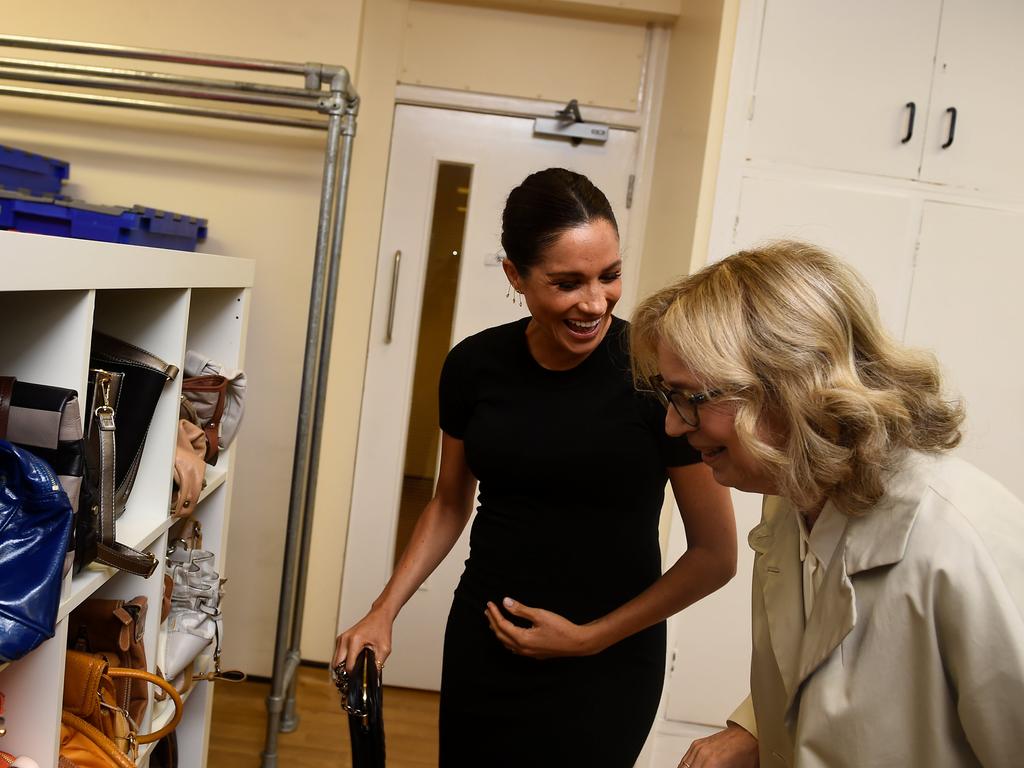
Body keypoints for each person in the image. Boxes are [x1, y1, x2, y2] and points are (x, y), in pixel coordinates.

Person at [334, 168, 736, 767]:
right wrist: (383, 609)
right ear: (515, 276)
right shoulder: (474, 366)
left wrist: (588, 639)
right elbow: (449, 502)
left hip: (609, 659)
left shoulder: (654, 374)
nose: (595, 302)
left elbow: (716, 555)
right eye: (567, 282)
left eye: (610, 276)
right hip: (487, 644)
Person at [630, 240, 1024, 768]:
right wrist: (753, 728)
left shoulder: (959, 537)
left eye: (692, 398)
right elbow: (829, 659)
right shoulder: (793, 502)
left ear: (791, 386)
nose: (673, 425)